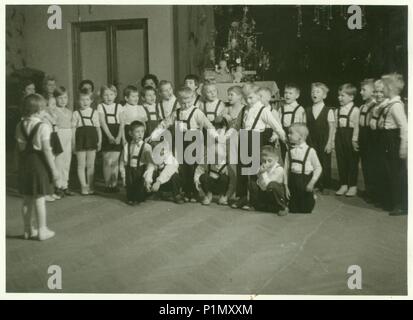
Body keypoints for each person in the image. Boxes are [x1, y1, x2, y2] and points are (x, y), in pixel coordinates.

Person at [149, 86, 219, 202]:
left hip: (194, 142)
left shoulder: (197, 112)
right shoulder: (176, 113)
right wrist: (153, 135)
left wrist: (216, 137)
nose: (185, 105)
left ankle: (195, 193)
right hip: (180, 142)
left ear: (192, 99)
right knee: (184, 168)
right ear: (178, 101)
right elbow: (164, 124)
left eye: (188, 102)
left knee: (193, 168)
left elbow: (208, 125)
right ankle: (187, 192)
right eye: (182, 103)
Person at [231, 84, 286, 209]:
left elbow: (276, 126)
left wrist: (285, 139)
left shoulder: (264, 110)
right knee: (242, 169)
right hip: (244, 137)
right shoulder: (245, 109)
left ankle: (254, 200)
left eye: (250, 97)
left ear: (258, 96)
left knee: (255, 170)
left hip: (256, 138)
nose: (247, 101)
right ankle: (242, 197)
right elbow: (237, 126)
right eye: (245, 98)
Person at [15, 94, 59, 240]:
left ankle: (27, 230)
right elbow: (46, 149)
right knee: (40, 198)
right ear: (38, 110)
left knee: (27, 198)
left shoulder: (19, 125)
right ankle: (42, 230)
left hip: (25, 163)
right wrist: (53, 170)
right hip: (39, 163)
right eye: (44, 108)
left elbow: (20, 148)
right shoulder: (43, 127)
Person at [379, 73, 408, 216]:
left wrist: (403, 145)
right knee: (389, 170)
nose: (381, 89)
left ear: (389, 87)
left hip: (394, 139)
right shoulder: (390, 102)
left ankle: (401, 205)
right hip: (387, 138)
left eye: (383, 86)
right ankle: (392, 200)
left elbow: (404, 126)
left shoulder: (396, 105)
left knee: (396, 172)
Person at [284, 123, 322, 213]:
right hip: (293, 181)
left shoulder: (310, 151)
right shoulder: (289, 152)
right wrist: (286, 186)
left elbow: (318, 167)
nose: (288, 135)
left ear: (300, 136)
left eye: (291, 133)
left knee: (306, 209)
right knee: (293, 209)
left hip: (305, 181)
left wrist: (312, 182)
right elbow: (285, 169)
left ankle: (311, 197)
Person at [305, 82, 335, 194]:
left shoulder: (328, 110)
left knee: (324, 161)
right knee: (313, 161)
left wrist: (330, 142)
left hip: (323, 140)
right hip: (311, 140)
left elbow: (332, 128)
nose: (314, 94)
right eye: (312, 92)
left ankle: (326, 185)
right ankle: (316, 183)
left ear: (324, 95)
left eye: (318, 92)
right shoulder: (307, 110)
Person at [72, 89, 101, 195]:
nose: (85, 102)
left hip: (91, 139)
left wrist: (100, 141)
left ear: (91, 101)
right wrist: (73, 143)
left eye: (87, 99)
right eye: (82, 99)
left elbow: (98, 129)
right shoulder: (76, 113)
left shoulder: (95, 113)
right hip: (80, 140)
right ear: (78, 101)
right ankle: (83, 186)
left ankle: (90, 185)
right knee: (81, 165)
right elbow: (73, 129)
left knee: (91, 165)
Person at [194, 117, 229, 205]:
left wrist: (227, 195)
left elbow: (232, 180)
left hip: (220, 186)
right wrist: (196, 181)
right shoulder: (207, 158)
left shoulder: (226, 162)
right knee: (203, 177)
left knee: (225, 178)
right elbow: (198, 170)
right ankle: (208, 195)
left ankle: (222, 196)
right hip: (210, 185)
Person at [119, 121, 155, 206]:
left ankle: (144, 193)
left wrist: (148, 178)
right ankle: (131, 197)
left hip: (141, 171)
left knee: (140, 194)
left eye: (142, 131)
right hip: (129, 170)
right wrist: (123, 176)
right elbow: (122, 162)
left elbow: (150, 164)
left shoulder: (146, 147)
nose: (140, 134)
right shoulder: (127, 146)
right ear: (130, 133)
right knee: (130, 191)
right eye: (137, 131)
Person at [334, 83, 360, 197]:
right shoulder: (337, 111)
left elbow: (357, 127)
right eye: (339, 96)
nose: (339, 98)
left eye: (342, 96)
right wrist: (334, 141)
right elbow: (335, 127)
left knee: (352, 162)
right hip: (340, 137)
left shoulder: (355, 110)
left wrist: (354, 140)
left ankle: (353, 186)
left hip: (350, 137)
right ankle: (343, 184)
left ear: (351, 97)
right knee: (341, 161)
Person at [97, 85, 123, 192]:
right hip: (106, 133)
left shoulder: (119, 107)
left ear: (115, 95)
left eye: (111, 94)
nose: (109, 97)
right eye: (106, 95)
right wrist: (109, 136)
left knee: (115, 161)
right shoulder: (100, 106)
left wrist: (119, 137)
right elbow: (102, 122)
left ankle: (114, 183)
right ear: (102, 96)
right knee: (107, 160)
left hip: (117, 132)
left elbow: (122, 123)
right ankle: (108, 184)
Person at [354, 79, 376, 202]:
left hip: (371, 139)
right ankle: (369, 190)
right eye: (361, 90)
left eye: (364, 90)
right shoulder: (362, 107)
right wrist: (356, 139)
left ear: (373, 92)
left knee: (372, 166)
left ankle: (374, 193)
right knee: (365, 166)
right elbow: (358, 125)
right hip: (363, 137)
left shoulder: (375, 106)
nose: (361, 92)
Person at [249, 145, 287, 215]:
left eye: (269, 161)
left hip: (274, 194)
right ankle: (257, 205)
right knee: (253, 182)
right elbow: (261, 186)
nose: (266, 163)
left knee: (272, 185)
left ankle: (282, 207)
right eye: (263, 161)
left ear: (276, 159)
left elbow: (268, 185)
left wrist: (263, 173)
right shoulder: (261, 168)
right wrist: (260, 173)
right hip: (265, 191)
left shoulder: (279, 169)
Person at [369, 79, 389, 207]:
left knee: (385, 170)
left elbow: (379, 126)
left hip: (385, 140)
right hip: (376, 140)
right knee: (377, 168)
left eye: (381, 92)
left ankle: (385, 199)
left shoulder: (386, 106)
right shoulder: (376, 106)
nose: (378, 94)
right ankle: (379, 196)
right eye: (376, 92)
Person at [224, 86, 245, 202]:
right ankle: (231, 190)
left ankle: (242, 193)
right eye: (228, 94)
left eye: (232, 94)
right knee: (231, 165)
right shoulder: (227, 108)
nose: (229, 97)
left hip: (243, 139)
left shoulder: (244, 108)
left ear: (240, 96)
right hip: (230, 139)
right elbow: (217, 120)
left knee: (243, 165)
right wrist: (222, 117)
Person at [53, 86, 74, 197]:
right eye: (60, 98)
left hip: (68, 135)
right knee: (58, 161)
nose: (63, 100)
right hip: (59, 135)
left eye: (65, 98)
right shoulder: (54, 111)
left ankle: (65, 185)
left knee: (67, 160)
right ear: (55, 98)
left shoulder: (69, 111)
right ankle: (58, 185)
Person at [279, 83, 306, 160]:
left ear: (297, 96)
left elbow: (303, 125)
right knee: (285, 156)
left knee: (296, 157)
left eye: (290, 93)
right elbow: (278, 124)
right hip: (284, 136)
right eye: (285, 93)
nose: (287, 95)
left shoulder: (300, 109)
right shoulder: (281, 109)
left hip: (296, 135)